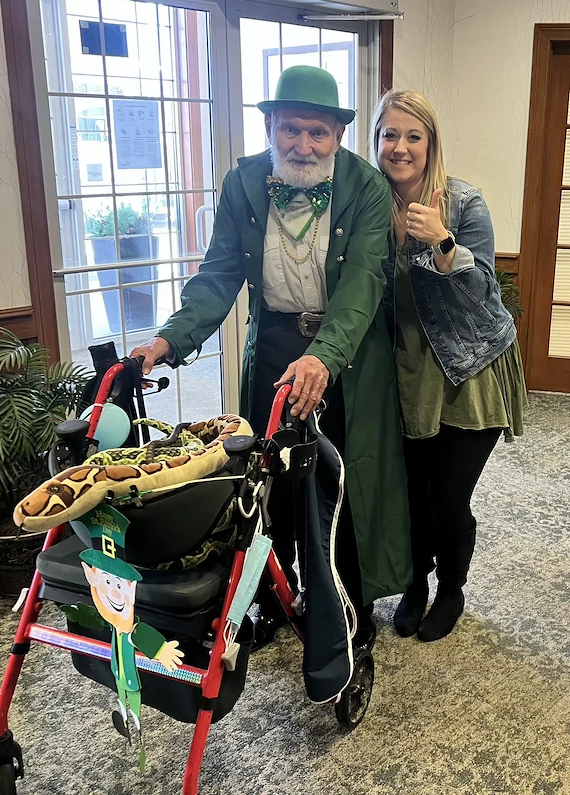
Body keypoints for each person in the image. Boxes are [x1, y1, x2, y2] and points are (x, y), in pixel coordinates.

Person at [131, 65, 412, 651]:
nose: (302, 145)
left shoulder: (365, 186)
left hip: (349, 353)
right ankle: (274, 599)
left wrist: (324, 358)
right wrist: (168, 341)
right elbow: (217, 276)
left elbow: (363, 284)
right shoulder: (244, 182)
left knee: (342, 482)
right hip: (276, 346)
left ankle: (347, 613)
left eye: (317, 132)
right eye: (291, 130)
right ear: (269, 127)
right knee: (268, 481)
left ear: (337, 134)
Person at [370, 89, 527, 642]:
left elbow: (485, 294)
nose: (401, 147)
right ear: (377, 141)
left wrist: (443, 243)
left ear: (431, 143)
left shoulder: (463, 204)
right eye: (391, 134)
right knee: (410, 492)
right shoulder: (369, 206)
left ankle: (452, 588)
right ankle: (415, 585)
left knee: (448, 498)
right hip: (404, 373)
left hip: (469, 368)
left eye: (414, 135)